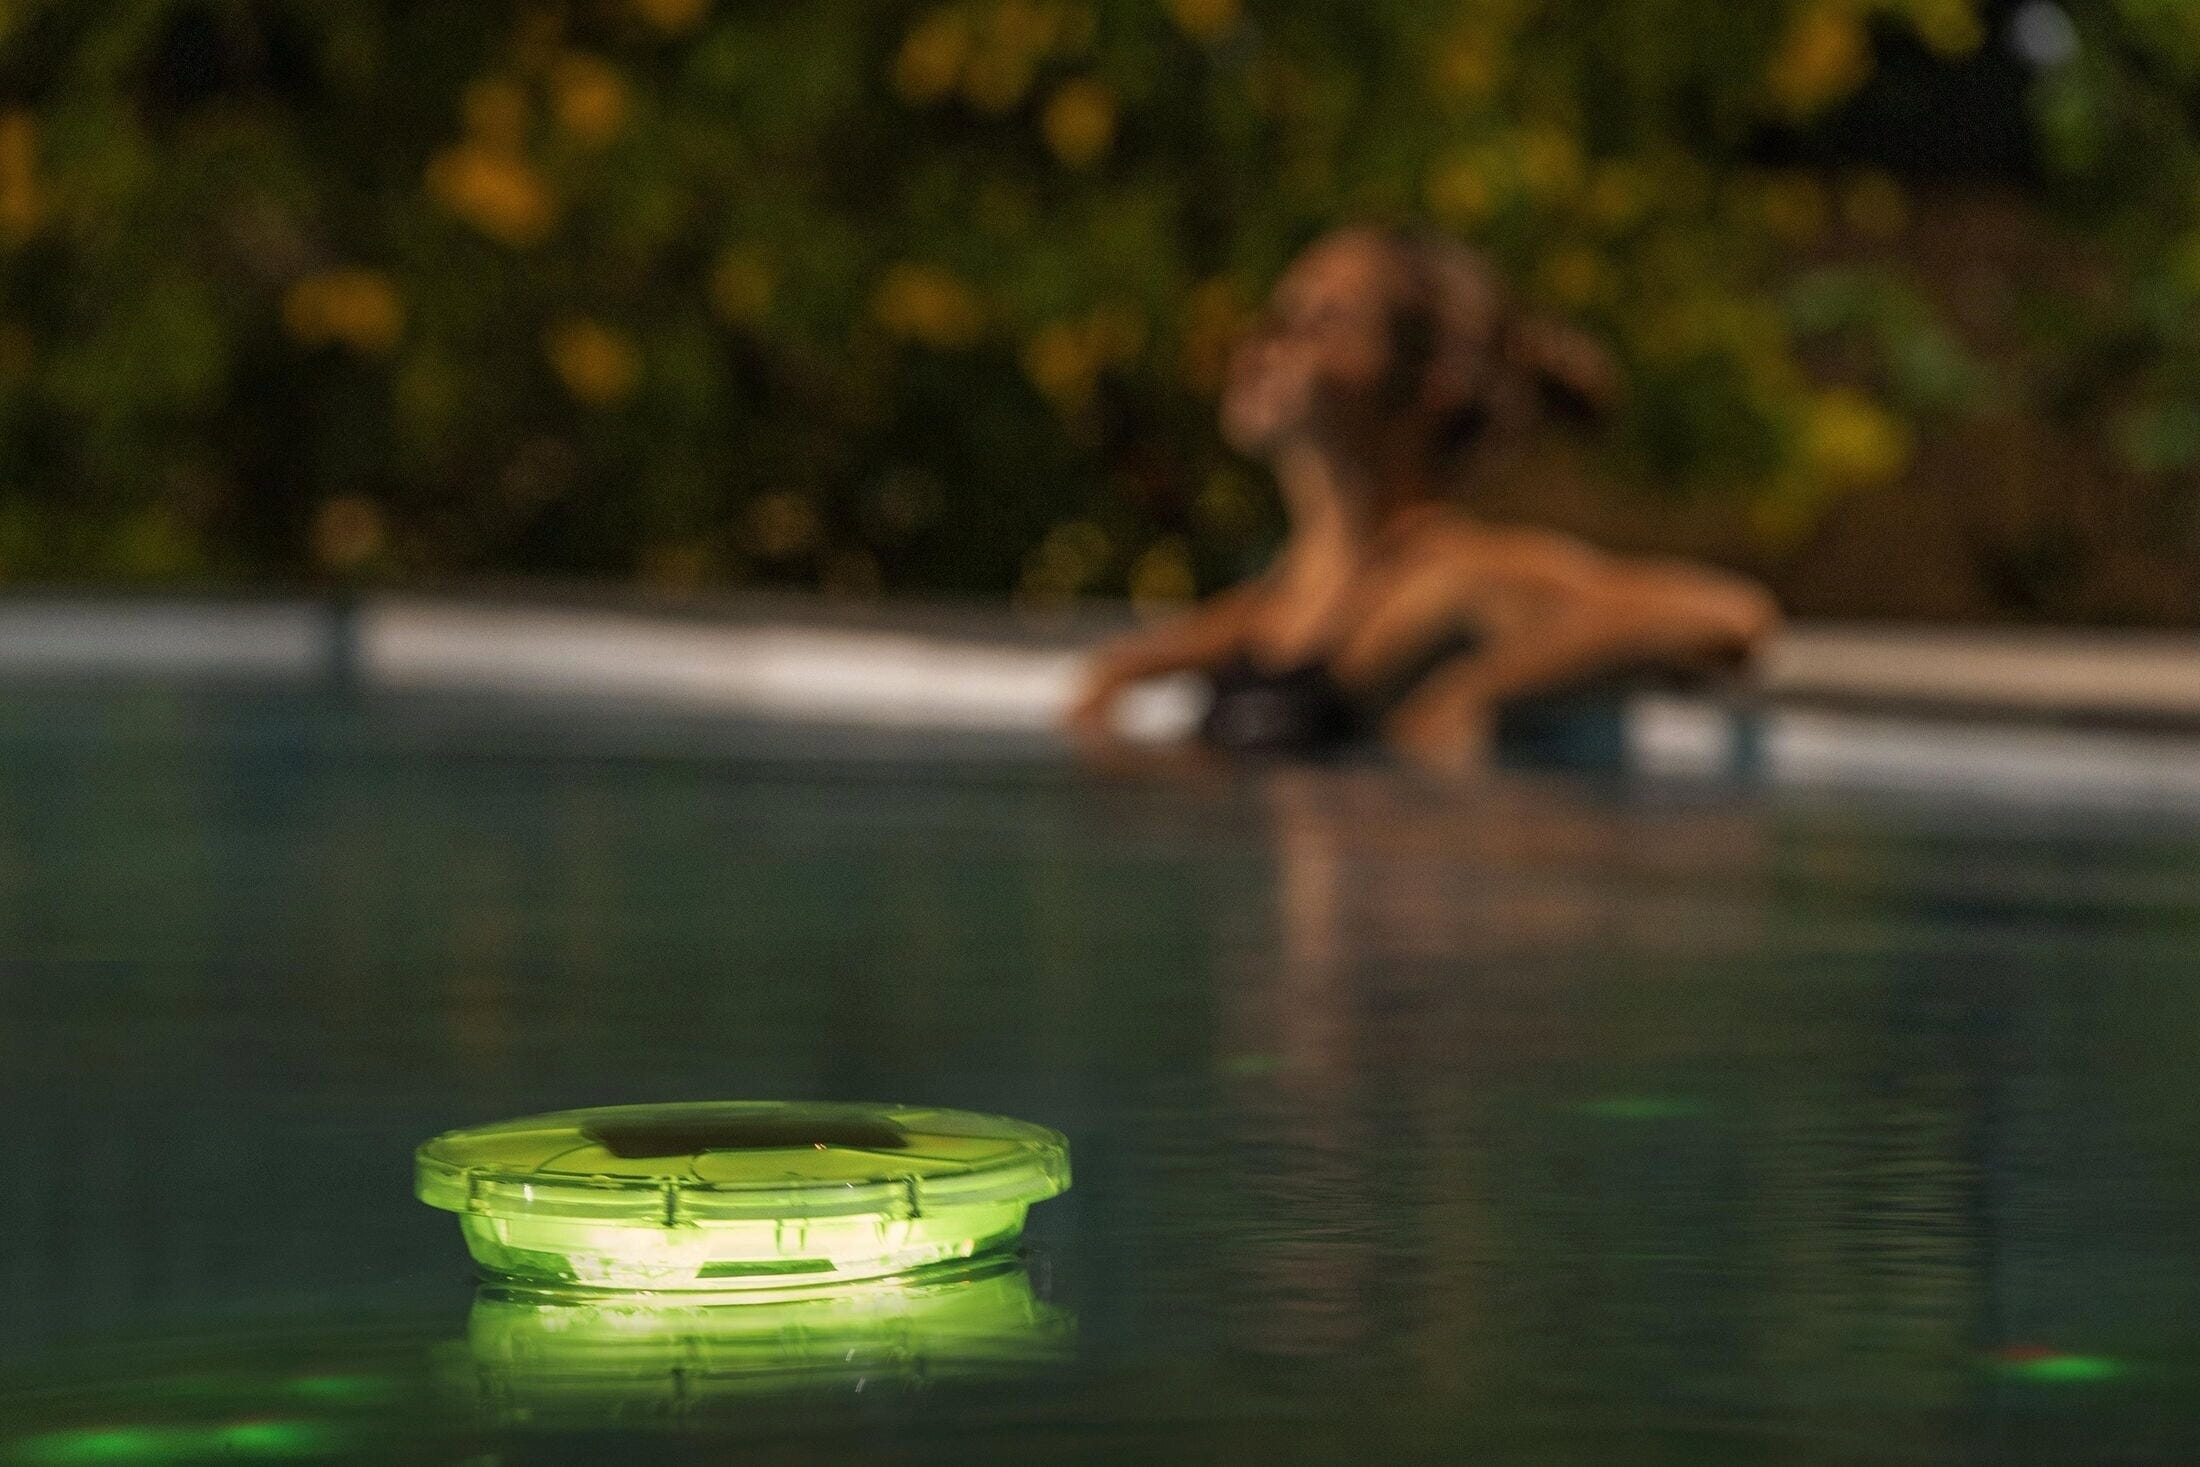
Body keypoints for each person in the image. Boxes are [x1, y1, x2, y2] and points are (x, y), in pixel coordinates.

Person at [1066, 226, 1778, 773]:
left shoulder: (1454, 574)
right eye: (1276, 319)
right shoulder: (1282, 600)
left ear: (1431, 382)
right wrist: (1121, 676)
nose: (1269, 347)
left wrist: (1478, 689)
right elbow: (1238, 634)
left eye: (1322, 322)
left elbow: (1728, 616)